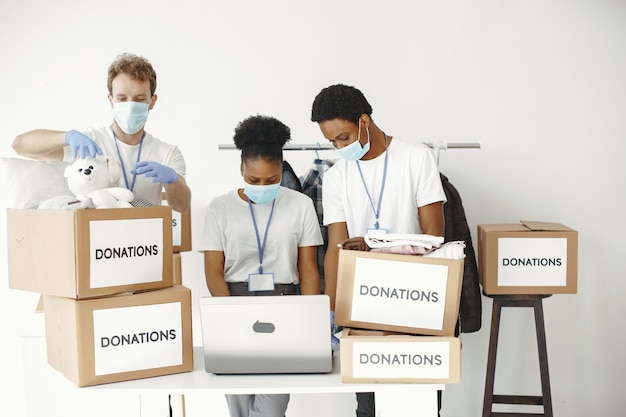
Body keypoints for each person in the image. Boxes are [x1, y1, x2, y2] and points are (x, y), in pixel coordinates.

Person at [310, 84, 447, 417]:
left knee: (422, 403)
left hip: (415, 297)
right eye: (332, 142)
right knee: (369, 406)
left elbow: (434, 233)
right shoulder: (336, 176)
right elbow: (336, 248)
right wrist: (330, 310)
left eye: (343, 137)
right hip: (364, 301)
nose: (339, 147)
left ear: (364, 121)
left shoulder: (416, 157)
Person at [197, 115, 323, 417]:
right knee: (238, 406)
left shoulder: (300, 205)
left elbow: (308, 268)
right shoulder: (220, 207)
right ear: (241, 169)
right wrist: (228, 317)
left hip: (285, 303)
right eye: (254, 180)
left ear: (281, 169)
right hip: (234, 302)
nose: (263, 186)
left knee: (272, 407)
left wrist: (310, 319)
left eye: (272, 180)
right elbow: (213, 270)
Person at [11, 52, 191, 213]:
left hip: (145, 244)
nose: (129, 106)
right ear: (111, 100)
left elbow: (181, 206)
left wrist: (172, 180)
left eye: (139, 99)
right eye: (122, 98)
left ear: (152, 101)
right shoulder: (89, 143)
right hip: (98, 243)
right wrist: (67, 136)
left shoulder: (168, 153)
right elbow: (20, 146)